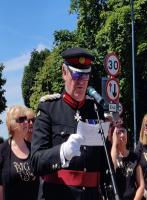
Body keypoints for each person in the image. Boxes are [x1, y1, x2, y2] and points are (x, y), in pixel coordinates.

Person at [31, 47, 107, 200]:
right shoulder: (49, 108)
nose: (82, 82)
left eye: (86, 76)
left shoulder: (96, 109)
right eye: (77, 75)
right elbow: (35, 162)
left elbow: (104, 166)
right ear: (64, 72)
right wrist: (62, 153)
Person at [0, 105, 39, 200]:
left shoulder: (33, 149)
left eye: (26, 119)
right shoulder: (2, 150)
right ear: (12, 124)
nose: (26, 122)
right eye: (21, 119)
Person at [111, 126, 144, 200]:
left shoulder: (134, 157)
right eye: (118, 132)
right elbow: (113, 165)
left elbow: (141, 185)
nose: (122, 135)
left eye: (123, 131)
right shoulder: (110, 156)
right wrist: (114, 144)